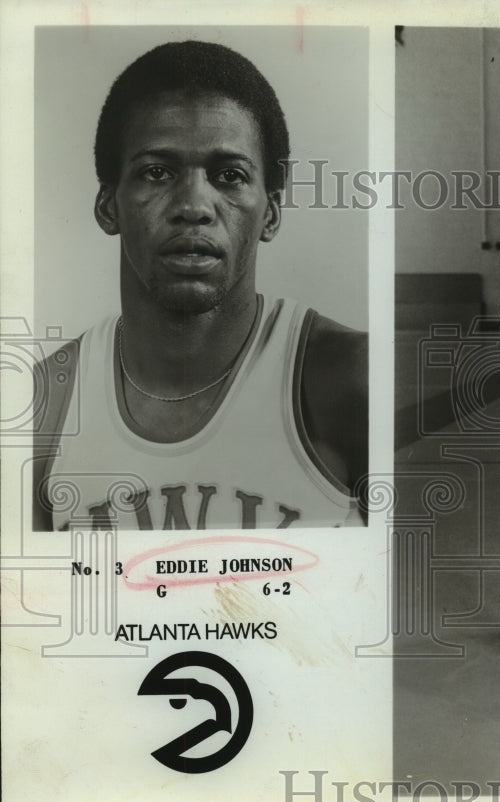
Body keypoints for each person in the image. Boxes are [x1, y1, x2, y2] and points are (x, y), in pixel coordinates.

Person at [32, 40, 367, 531]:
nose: (193, 205)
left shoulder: (348, 379)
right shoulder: (40, 407)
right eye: (157, 172)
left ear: (271, 214)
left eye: (229, 175)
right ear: (108, 206)